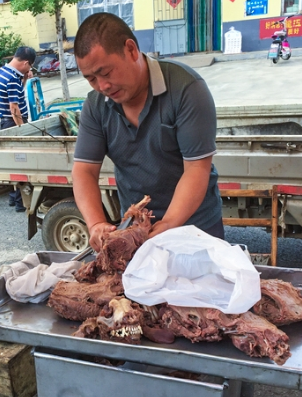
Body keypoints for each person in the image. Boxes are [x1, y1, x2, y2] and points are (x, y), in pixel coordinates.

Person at [72, 13, 224, 252]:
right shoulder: (96, 105)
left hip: (196, 230)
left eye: (106, 72)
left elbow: (197, 169)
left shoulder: (186, 89)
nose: (102, 86)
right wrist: (96, 223)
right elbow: (84, 171)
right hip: (136, 233)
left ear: (131, 50)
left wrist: (170, 223)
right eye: (91, 79)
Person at [0, 46, 36, 213]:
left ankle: (13, 198)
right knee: (22, 162)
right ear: (25, 63)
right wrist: (22, 130)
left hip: (5, 122)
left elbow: (17, 93)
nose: (30, 69)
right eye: (30, 66)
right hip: (13, 123)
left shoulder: (3, 71)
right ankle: (20, 203)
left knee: (13, 162)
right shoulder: (12, 78)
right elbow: (14, 108)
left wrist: (25, 78)